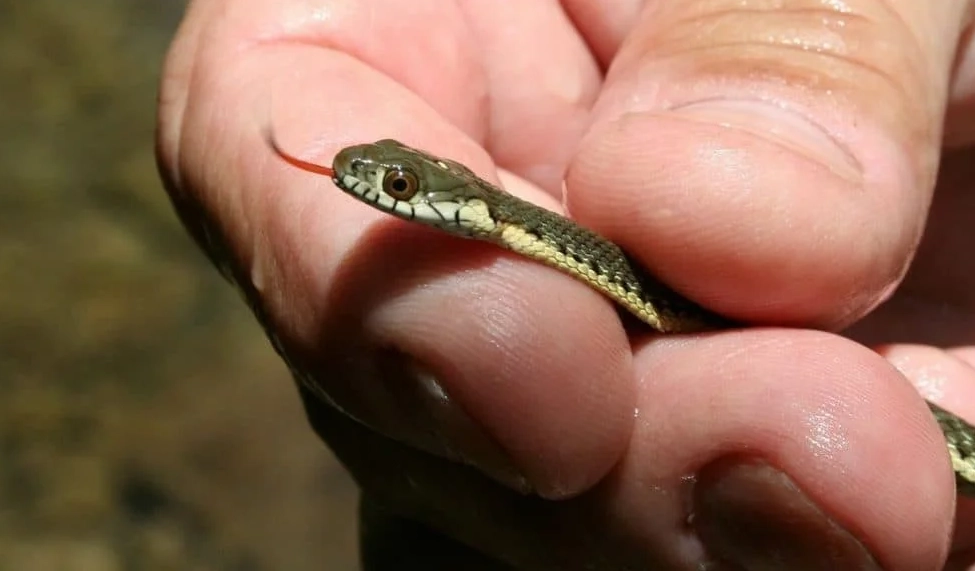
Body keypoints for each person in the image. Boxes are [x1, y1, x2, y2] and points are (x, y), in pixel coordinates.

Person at [156, 1, 975, 568]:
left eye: (400, 188)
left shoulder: (549, 235)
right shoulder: (526, 256)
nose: (374, 188)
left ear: (463, 203)